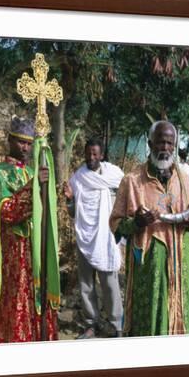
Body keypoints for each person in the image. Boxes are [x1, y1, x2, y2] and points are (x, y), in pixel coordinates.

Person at [110, 121, 189, 336]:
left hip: (181, 264)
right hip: (149, 268)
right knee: (149, 325)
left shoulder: (185, 180)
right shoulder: (132, 181)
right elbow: (116, 225)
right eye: (160, 142)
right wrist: (137, 223)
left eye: (170, 143)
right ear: (150, 144)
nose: (165, 148)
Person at [0, 117, 58, 342]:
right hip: (14, 256)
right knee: (17, 303)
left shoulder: (33, 172)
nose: (25, 147)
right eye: (21, 142)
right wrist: (32, 189)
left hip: (37, 252)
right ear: (10, 140)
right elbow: (6, 212)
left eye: (29, 143)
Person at [64, 138, 124, 339]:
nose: (91, 157)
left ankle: (116, 325)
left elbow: (123, 204)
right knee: (86, 284)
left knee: (109, 283)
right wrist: (70, 199)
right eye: (88, 153)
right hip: (85, 237)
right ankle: (91, 323)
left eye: (95, 154)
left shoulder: (114, 176)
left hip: (106, 238)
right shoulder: (78, 179)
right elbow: (73, 213)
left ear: (101, 155)